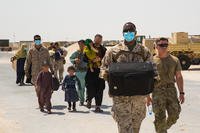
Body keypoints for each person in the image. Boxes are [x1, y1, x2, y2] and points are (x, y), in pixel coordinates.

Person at [100, 22, 156, 133]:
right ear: (123, 33)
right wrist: (112, 79)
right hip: (121, 97)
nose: (128, 33)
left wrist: (149, 93)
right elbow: (103, 68)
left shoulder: (144, 51)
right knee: (124, 128)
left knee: (135, 127)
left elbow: (153, 71)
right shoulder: (113, 51)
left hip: (138, 97)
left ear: (135, 33)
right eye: (126, 32)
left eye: (131, 31)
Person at [146, 37, 185, 133]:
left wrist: (181, 92)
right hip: (157, 91)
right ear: (156, 46)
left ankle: (162, 128)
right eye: (161, 45)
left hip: (171, 90)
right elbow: (147, 79)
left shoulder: (174, 60)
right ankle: (161, 130)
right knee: (159, 117)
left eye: (165, 45)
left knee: (175, 114)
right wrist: (147, 96)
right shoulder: (151, 61)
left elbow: (179, 76)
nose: (164, 47)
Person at [84, 34, 107, 113]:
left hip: (100, 71)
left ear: (101, 40)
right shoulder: (88, 47)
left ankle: (98, 106)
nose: (98, 41)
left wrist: (100, 60)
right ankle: (89, 99)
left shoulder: (104, 49)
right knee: (90, 87)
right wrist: (91, 61)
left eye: (100, 39)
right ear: (94, 39)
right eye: (97, 39)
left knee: (100, 89)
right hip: (91, 71)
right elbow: (84, 58)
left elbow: (106, 59)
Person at [70, 40, 88, 106]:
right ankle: (81, 100)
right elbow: (71, 58)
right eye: (79, 44)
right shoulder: (77, 52)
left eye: (82, 44)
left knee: (88, 87)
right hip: (78, 72)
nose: (81, 45)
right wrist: (75, 60)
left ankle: (88, 99)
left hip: (87, 71)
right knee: (80, 87)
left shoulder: (88, 52)